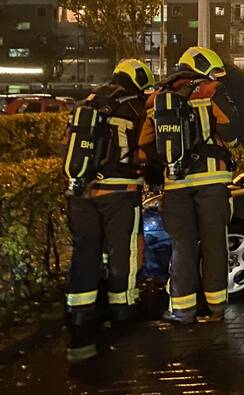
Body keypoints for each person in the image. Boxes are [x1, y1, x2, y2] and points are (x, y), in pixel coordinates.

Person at [138, 46, 240, 324]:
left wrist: (165, 168)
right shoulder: (211, 90)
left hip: (175, 182)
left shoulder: (157, 98)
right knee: (214, 243)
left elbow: (145, 146)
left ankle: (182, 310)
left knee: (182, 245)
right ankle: (216, 307)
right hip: (211, 182)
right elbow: (231, 131)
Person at [62, 59, 154, 363]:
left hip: (80, 191)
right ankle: (123, 306)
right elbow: (144, 148)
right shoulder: (133, 107)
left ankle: (79, 313)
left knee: (85, 250)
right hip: (119, 191)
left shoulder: (85, 103)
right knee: (122, 251)